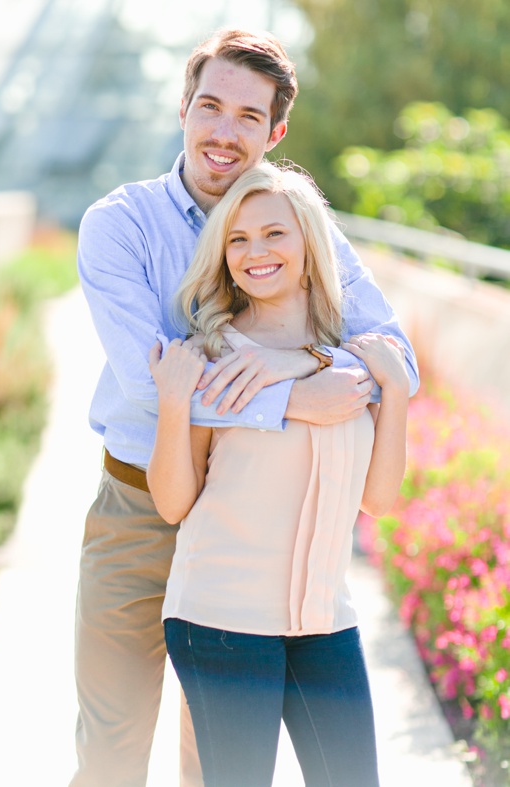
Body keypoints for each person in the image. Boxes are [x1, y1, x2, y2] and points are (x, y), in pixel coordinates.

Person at [73, 28, 419, 786]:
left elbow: (395, 352)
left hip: (253, 529)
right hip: (139, 509)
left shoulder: (300, 224)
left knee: (220, 768)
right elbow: (148, 381)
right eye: (210, 107)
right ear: (184, 109)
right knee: (111, 750)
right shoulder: (119, 223)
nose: (225, 133)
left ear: (276, 132)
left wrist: (300, 364)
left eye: (249, 117)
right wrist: (297, 399)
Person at [150, 162, 408, 786]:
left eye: (274, 234)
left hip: (324, 620)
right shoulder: (214, 353)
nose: (254, 253)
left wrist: (395, 390)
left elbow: (379, 500)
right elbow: (174, 503)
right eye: (237, 239)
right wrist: (175, 403)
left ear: (310, 245)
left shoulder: (358, 360)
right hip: (221, 619)